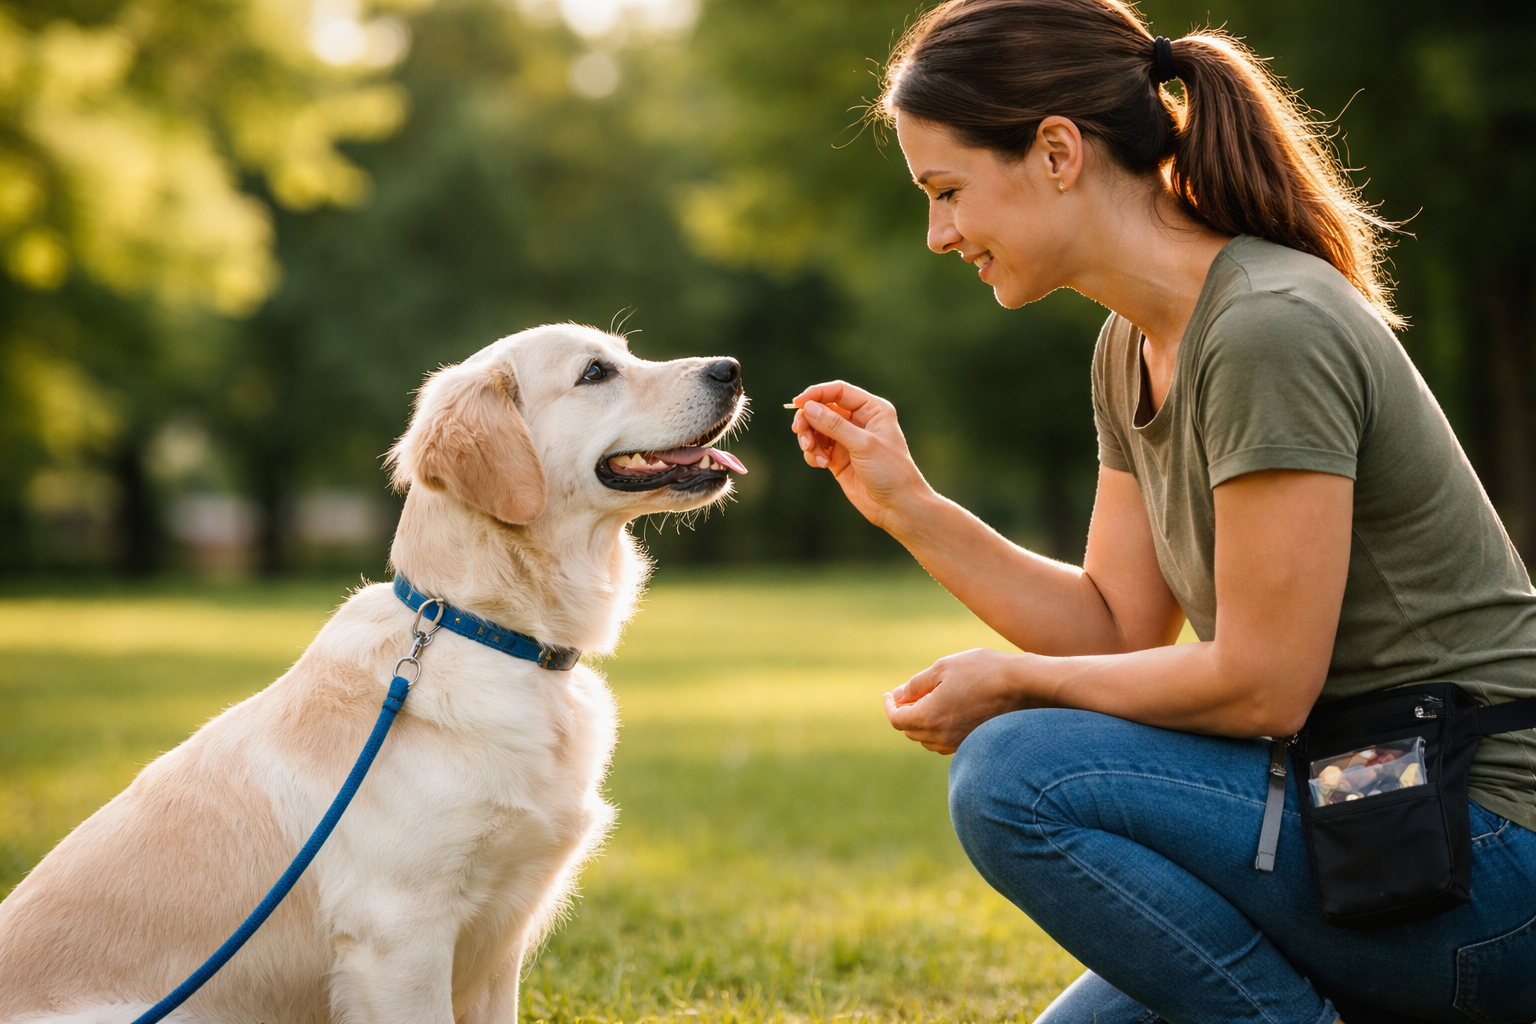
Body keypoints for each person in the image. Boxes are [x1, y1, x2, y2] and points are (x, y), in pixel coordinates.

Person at [786, 1, 1536, 1021]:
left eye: (949, 190)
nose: (939, 233)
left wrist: (1013, 684)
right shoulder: (1129, 346)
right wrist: (911, 506)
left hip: (1478, 849)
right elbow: (1116, 625)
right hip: (1359, 808)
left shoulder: (1269, 326)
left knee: (1015, 770)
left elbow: (1264, 684)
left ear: (1057, 151)